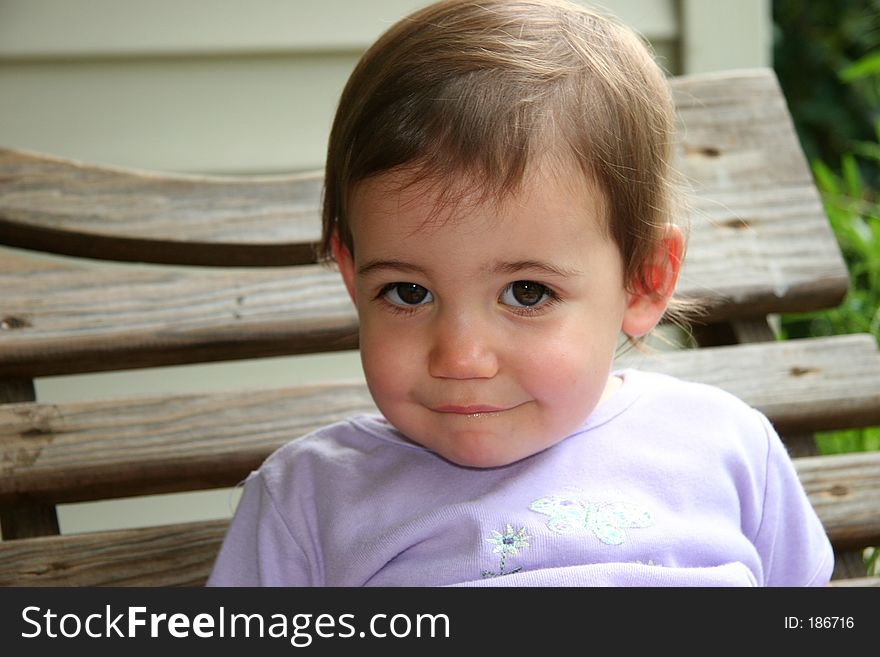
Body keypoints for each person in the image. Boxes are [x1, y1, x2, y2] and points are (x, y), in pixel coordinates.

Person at [207, 0, 833, 586]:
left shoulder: (725, 445)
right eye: (408, 291)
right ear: (352, 278)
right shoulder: (311, 499)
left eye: (527, 293)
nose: (460, 358)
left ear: (644, 279)